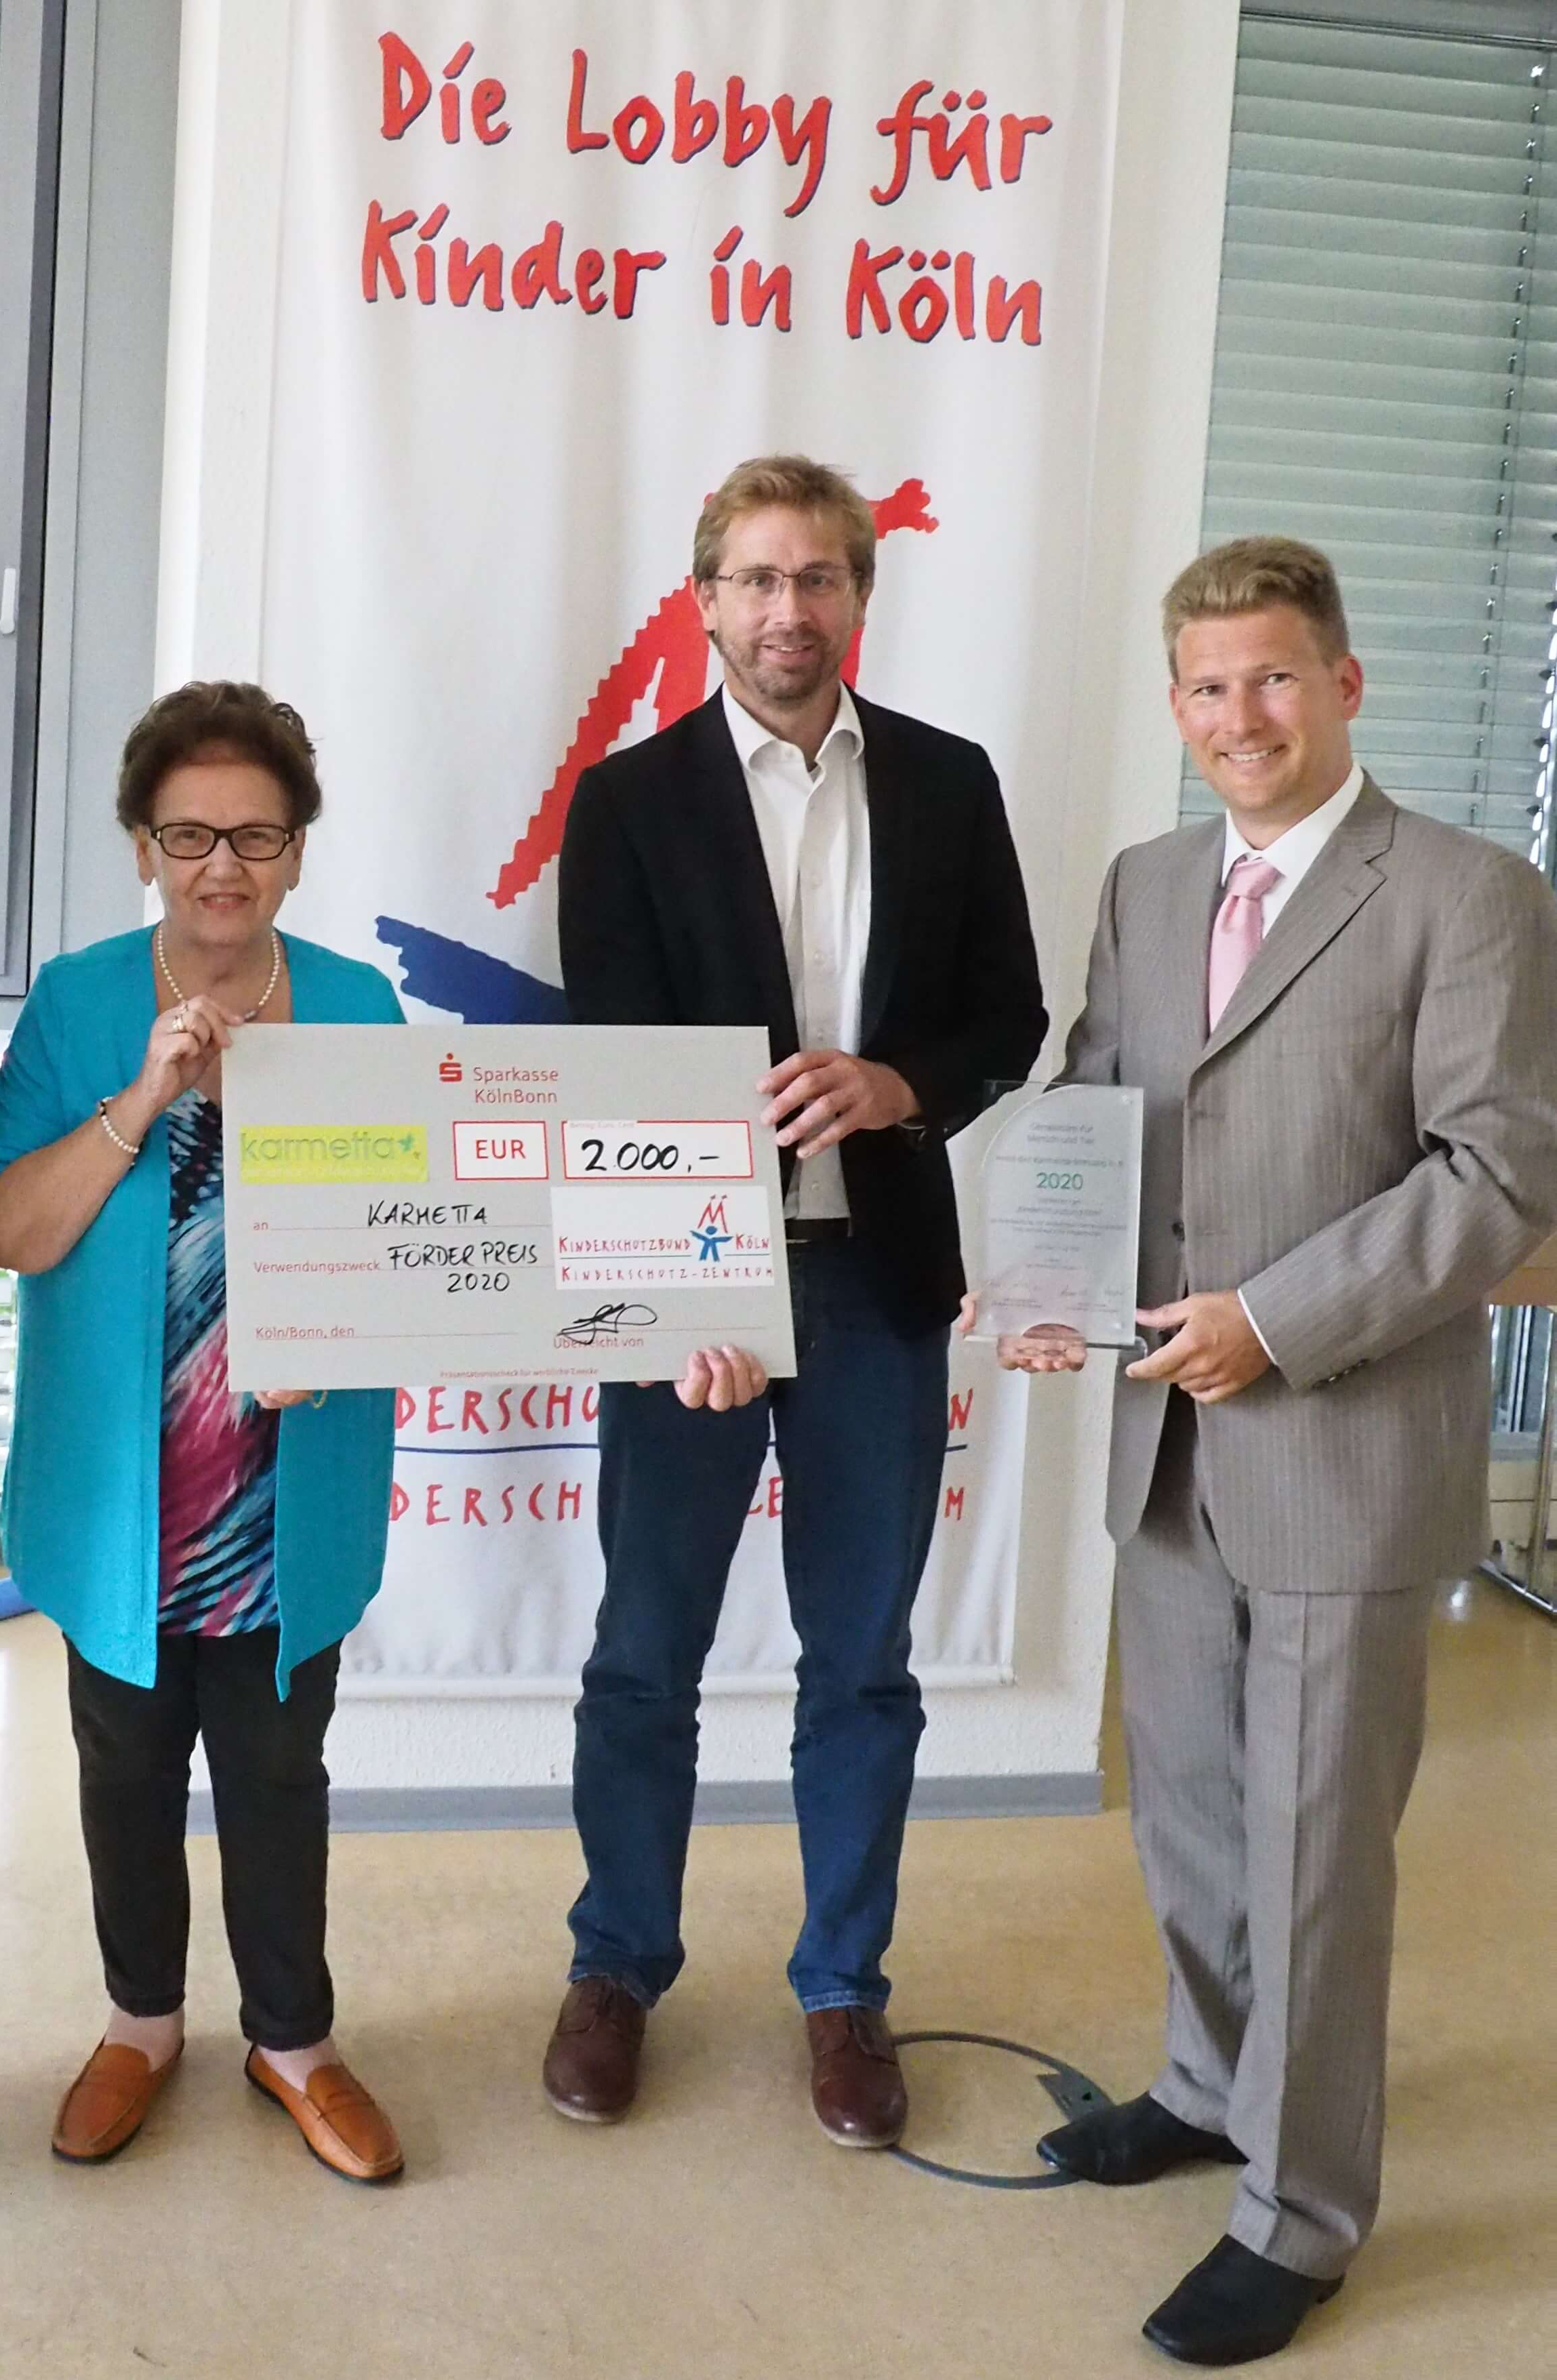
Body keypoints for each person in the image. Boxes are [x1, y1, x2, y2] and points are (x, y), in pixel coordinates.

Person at [995, 537, 1557, 2366]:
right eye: (1207, 686)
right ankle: (1204, 2083)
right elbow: (1097, 1105)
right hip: (1164, 1431)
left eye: (1273, 678)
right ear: (1175, 705)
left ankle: (1300, 2213)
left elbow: (1496, 1175)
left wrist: (1276, 1320)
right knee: (1188, 1807)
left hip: (1343, 1439)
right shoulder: (1149, 883)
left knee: (1315, 1851)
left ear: (1342, 685)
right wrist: (1043, 1278)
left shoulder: (1468, 893)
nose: (1240, 715)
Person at [545, 455, 1046, 2143]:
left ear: (860, 597)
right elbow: (615, 1058)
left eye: (819, 576)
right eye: (757, 579)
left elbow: (1007, 1016)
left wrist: (903, 1088)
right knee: (643, 1652)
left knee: (864, 1663)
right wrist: (681, 1282)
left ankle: (843, 1986)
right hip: (684, 1293)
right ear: (705, 602)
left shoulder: (951, 784)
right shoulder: (628, 803)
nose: (788, 609)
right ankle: (616, 1963)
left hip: (879, 1290)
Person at [0, 681, 407, 2188]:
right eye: (190, 834)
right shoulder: (79, 999)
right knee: (126, 1769)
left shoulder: (357, 1006)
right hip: (120, 1489)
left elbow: (418, 1243)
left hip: (294, 1485)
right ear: (142, 845)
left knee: (281, 1771)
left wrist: (342, 1341)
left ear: (298, 850)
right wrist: (141, 1098)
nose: (223, 865)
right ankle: (140, 2025)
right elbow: (10, 1229)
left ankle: (294, 2040)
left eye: (256, 836)